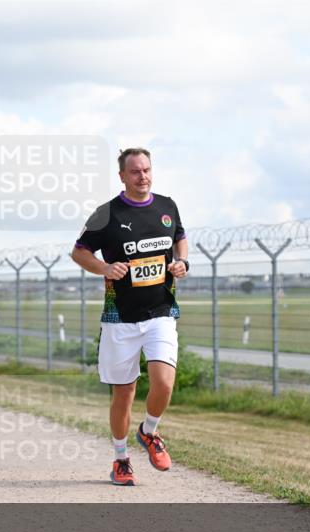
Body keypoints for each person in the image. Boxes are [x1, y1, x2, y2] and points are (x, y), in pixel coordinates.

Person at [71, 147, 189, 486]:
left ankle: (149, 432)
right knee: (124, 393)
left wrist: (182, 262)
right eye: (136, 171)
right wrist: (105, 267)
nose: (143, 176)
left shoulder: (167, 205)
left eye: (147, 170)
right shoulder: (105, 214)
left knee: (164, 382)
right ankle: (121, 458)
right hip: (120, 317)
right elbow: (78, 251)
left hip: (161, 311)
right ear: (122, 176)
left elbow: (180, 238)